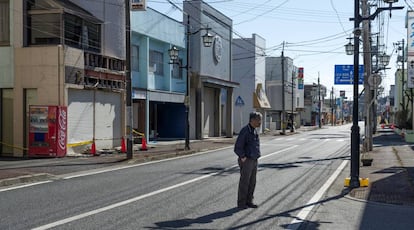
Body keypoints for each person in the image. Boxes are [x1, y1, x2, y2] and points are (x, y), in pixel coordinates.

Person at [234, 111, 262, 209]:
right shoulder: (245, 131)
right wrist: (243, 157)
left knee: (252, 182)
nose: (260, 122)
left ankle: (249, 201)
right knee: (244, 182)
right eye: (258, 120)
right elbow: (238, 146)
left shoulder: (254, 130)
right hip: (247, 160)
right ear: (252, 120)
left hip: (254, 159)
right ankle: (241, 203)